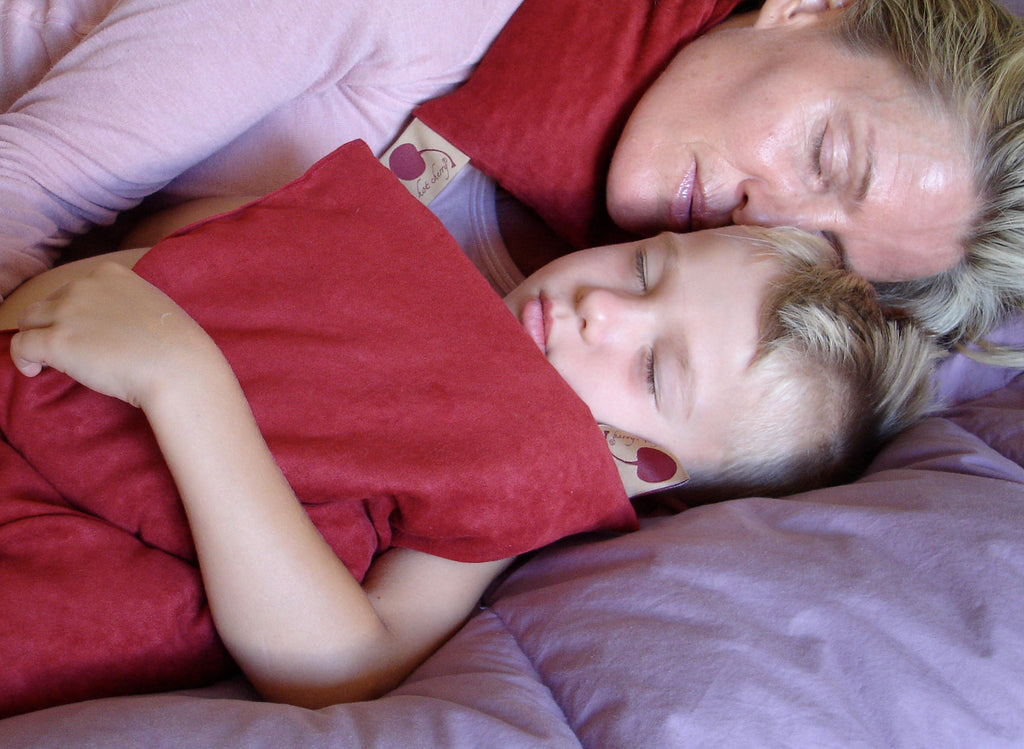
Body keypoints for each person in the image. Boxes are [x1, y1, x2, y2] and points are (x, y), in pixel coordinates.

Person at [0, 160, 939, 713]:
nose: (600, 308)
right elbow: (183, 245)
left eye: (655, 370)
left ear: (649, 471)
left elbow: (344, 667)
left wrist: (186, 383)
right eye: (646, 268)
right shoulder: (398, 251)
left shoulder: (518, 489)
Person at [0, 0, 1022, 351]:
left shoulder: (598, 308)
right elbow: (30, 188)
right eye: (824, 153)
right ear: (808, 7)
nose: (769, 213)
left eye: (817, 248)